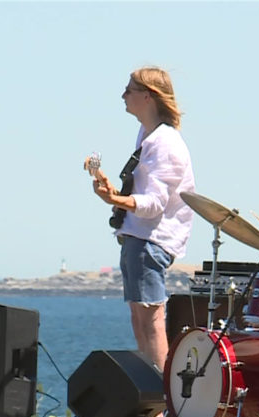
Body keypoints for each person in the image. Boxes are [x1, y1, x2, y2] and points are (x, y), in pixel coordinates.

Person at [85, 66, 195, 372]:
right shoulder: (148, 136)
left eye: (129, 90)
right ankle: (153, 396)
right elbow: (145, 191)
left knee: (151, 322)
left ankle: (162, 400)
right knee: (140, 319)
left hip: (151, 241)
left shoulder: (166, 144)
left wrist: (115, 199)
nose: (123, 95)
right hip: (138, 238)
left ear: (147, 97)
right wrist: (114, 191)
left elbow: (155, 204)